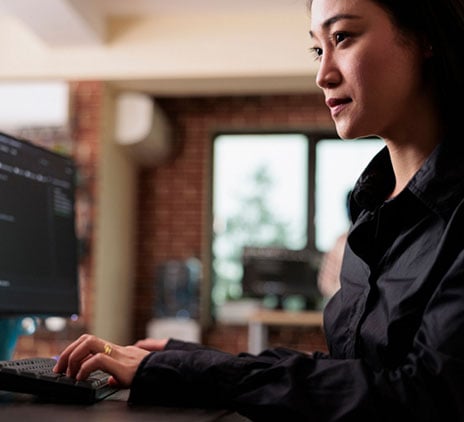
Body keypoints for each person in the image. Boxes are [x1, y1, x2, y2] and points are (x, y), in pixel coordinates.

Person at [54, 0, 464, 420]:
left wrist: (200, 372)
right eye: (318, 50)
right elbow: (352, 375)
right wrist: (188, 362)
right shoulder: (372, 212)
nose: (323, 75)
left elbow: (422, 397)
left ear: (425, 37)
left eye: (342, 37)